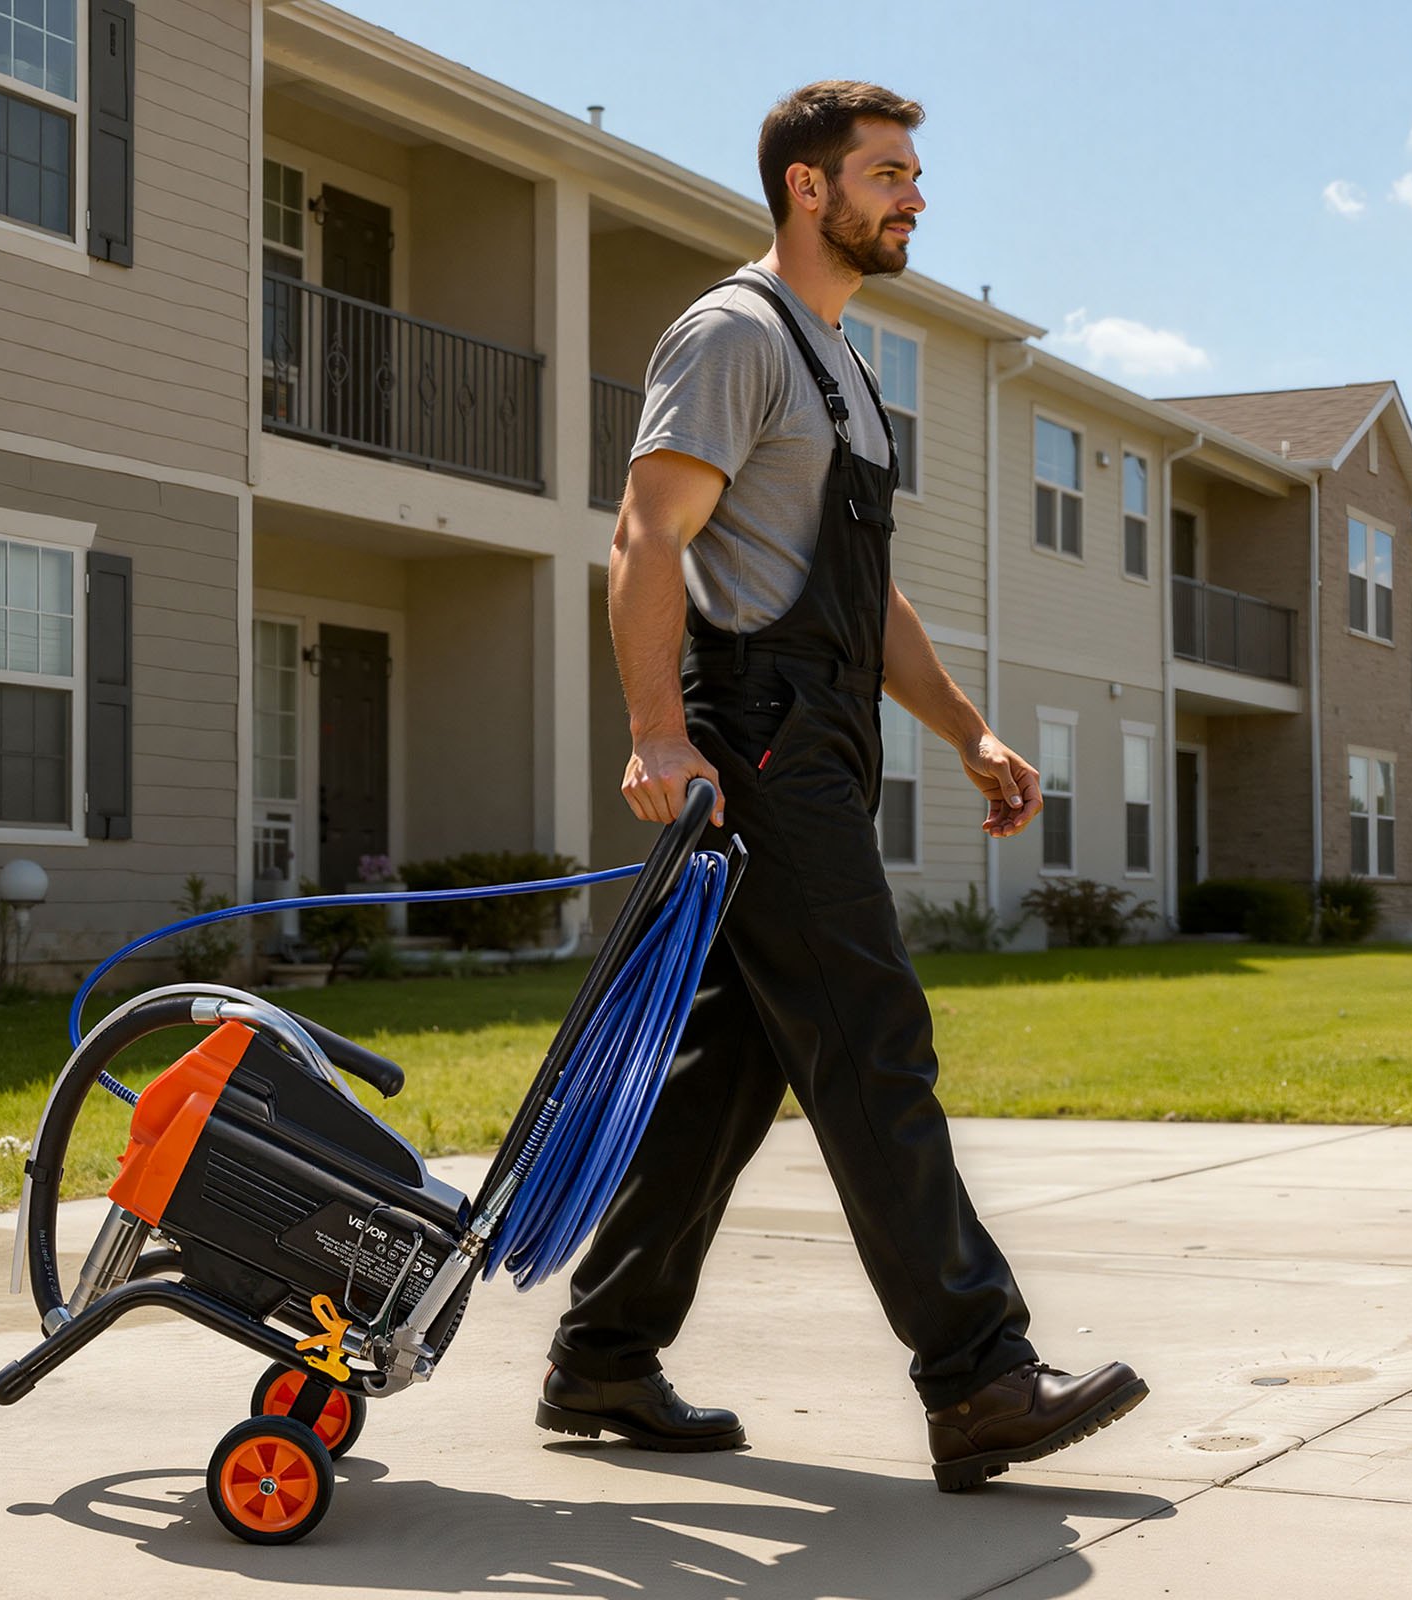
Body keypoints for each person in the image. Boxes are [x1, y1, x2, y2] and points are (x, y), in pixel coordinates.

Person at [535, 81, 1148, 1492]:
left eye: (915, 174)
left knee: (730, 1067)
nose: (913, 197)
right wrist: (656, 733)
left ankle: (606, 1356)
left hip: (817, 738)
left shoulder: (843, 370)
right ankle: (980, 1374)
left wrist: (968, 731)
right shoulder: (735, 333)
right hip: (750, 738)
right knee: (873, 1032)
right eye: (888, 173)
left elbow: (869, 604)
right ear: (809, 189)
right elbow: (644, 534)